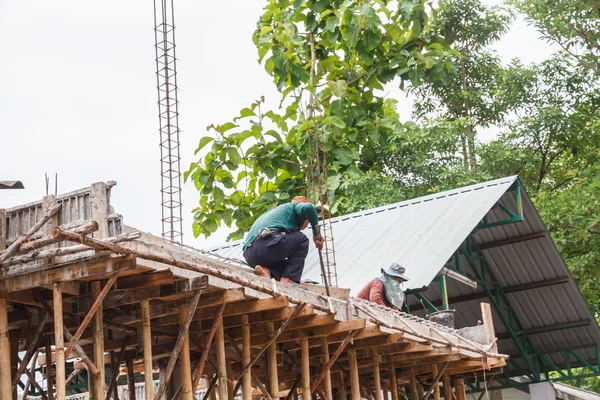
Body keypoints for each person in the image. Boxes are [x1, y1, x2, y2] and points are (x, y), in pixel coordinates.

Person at [242, 196, 325, 284]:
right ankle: (288, 280)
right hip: (267, 244)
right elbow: (309, 208)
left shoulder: (274, 213)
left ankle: (266, 271)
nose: (308, 222)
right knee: (302, 240)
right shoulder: (295, 207)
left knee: (288, 267)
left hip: (250, 255)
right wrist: (317, 234)